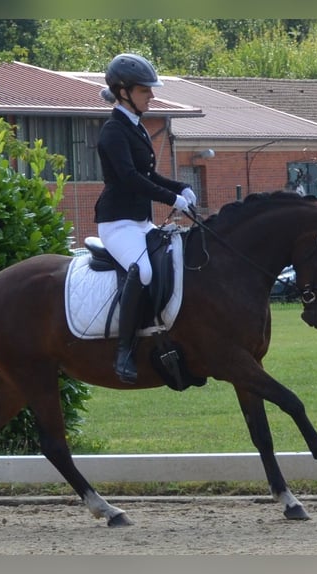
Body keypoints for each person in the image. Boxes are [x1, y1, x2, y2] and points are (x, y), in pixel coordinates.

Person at [95, 53, 196, 383]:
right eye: (144, 91)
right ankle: (124, 350)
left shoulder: (135, 128)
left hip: (140, 222)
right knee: (144, 271)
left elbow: (149, 174)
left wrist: (180, 185)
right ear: (123, 92)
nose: (151, 96)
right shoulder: (113, 131)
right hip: (117, 223)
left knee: (174, 263)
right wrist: (172, 198)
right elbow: (129, 178)